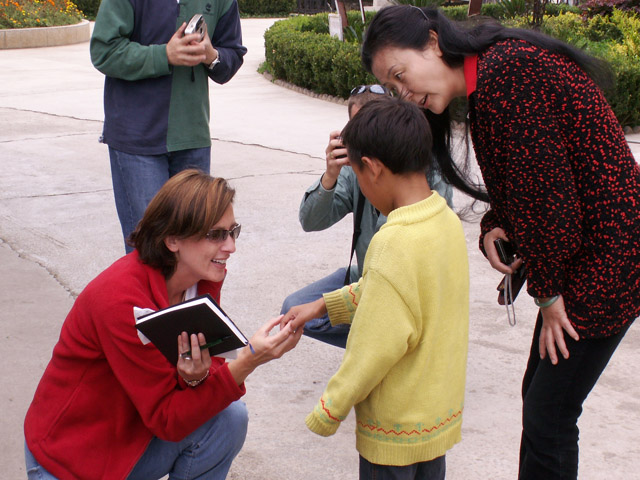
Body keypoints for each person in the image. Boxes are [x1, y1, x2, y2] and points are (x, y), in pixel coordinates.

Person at [360, 5, 640, 479]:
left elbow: (554, 207)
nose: (403, 93)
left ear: (432, 42)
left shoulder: (507, 76)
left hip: (608, 259)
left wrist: (548, 295)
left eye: (401, 74)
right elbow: (526, 182)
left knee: (549, 413)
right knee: (542, 401)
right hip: (593, 254)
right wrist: (496, 224)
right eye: (392, 87)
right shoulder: (495, 71)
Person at [24, 170, 303, 480]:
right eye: (215, 235)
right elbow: (166, 419)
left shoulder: (203, 280)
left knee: (228, 419)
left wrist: (194, 379)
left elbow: (204, 375)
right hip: (71, 460)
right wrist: (248, 361)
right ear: (173, 239)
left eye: (232, 231)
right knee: (221, 411)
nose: (230, 247)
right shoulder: (119, 300)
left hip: (133, 440)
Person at [282, 97, 469, 479]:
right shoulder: (445, 222)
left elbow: (374, 346)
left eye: (358, 176)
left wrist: (330, 408)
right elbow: (393, 293)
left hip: (395, 431)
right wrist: (321, 307)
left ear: (372, 169)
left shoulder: (392, 240)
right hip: (434, 418)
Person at [280, 84, 453, 348]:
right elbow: (310, 221)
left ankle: (389, 342)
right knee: (294, 309)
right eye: (356, 127)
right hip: (365, 275)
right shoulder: (354, 167)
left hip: (405, 287)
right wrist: (330, 176)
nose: (364, 138)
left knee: (378, 319)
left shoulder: (422, 169)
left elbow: (403, 262)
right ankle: (380, 342)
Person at [90, 0, 247, 252]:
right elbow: (104, 51)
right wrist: (163, 55)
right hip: (137, 140)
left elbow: (232, 54)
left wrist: (211, 55)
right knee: (150, 250)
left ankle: (187, 295)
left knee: (194, 249)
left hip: (193, 139)